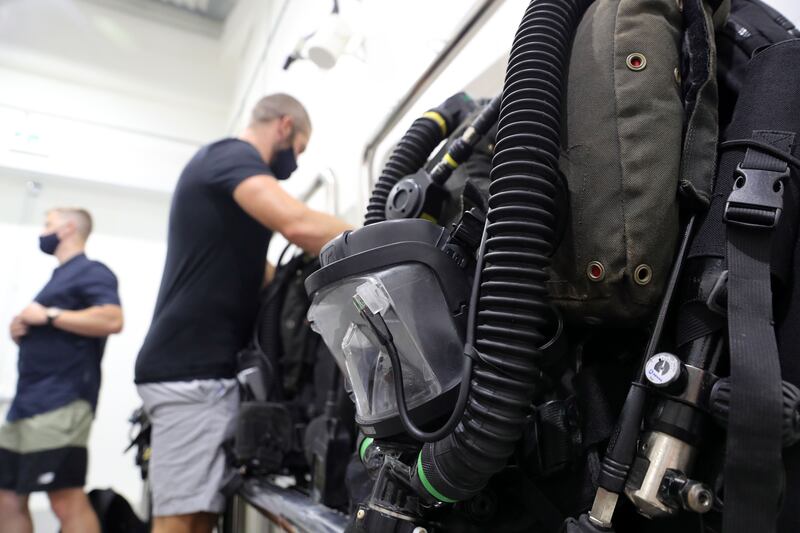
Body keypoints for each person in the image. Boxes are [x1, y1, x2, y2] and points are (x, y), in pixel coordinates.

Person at [134, 93, 351, 533]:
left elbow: (264, 277)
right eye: (300, 149)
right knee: (178, 522)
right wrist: (392, 232)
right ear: (285, 126)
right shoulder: (228, 156)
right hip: (188, 375)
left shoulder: (227, 191)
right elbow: (298, 224)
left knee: (199, 518)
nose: (295, 162)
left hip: (202, 375)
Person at [0, 208, 124, 533]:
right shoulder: (58, 278)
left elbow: (112, 319)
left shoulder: (92, 271)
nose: (44, 231)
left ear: (69, 229)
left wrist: (50, 316)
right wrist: (24, 330)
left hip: (62, 401)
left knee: (63, 497)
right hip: (27, 403)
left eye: (48, 224)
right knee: (7, 495)